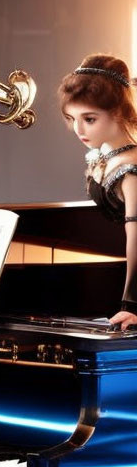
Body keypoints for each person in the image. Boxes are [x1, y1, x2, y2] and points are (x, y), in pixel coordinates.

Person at [59, 54, 137, 330]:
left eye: (89, 119)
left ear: (118, 111)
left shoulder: (131, 169)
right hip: (105, 277)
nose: (78, 129)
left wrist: (131, 305)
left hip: (127, 291)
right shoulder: (102, 157)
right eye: (72, 118)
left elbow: (136, 238)